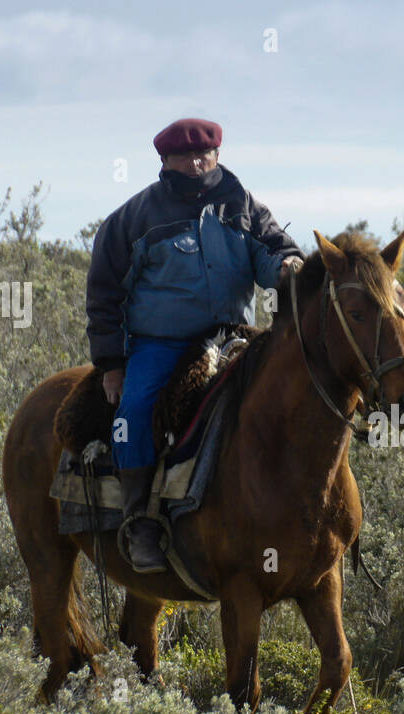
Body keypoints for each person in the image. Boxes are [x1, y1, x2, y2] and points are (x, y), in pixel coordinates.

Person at [85, 117, 302, 572]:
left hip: (234, 339)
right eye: (183, 156)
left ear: (218, 155)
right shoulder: (136, 217)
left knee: (290, 399)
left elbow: (275, 253)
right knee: (134, 412)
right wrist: (111, 364)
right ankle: (139, 520)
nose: (195, 162)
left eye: (204, 154)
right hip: (159, 346)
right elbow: (105, 293)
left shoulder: (243, 204)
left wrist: (290, 268)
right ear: (164, 161)